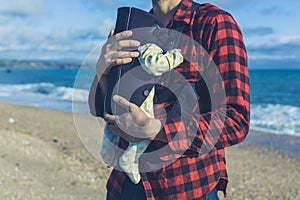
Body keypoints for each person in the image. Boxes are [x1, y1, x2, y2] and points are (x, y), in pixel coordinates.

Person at [89, 0, 250, 199]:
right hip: (124, 186)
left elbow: (236, 121)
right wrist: (103, 74)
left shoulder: (213, 22)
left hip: (185, 188)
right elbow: (101, 109)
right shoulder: (137, 26)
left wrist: (158, 130)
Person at [100, 42, 184, 184]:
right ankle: (129, 158)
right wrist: (176, 56)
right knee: (142, 132)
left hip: (123, 95)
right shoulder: (150, 46)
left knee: (113, 125)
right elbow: (155, 65)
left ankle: (107, 153)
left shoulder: (133, 48)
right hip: (141, 102)